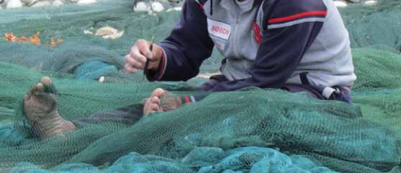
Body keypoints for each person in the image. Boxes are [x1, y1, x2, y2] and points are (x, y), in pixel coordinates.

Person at [23, 0, 356, 138]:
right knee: (154, 104)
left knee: (188, 113)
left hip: (310, 96)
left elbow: (266, 80)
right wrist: (158, 57)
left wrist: (189, 103)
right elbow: (186, 50)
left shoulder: (294, 3)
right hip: (240, 89)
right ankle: (71, 130)